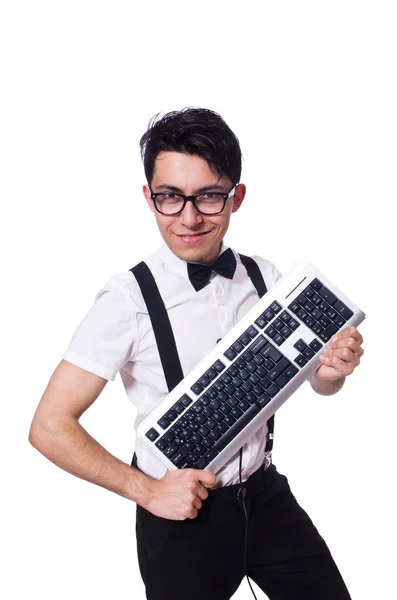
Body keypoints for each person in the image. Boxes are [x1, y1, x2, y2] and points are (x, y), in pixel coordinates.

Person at [29, 107, 364, 600]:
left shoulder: (265, 277)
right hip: (179, 513)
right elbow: (49, 426)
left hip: (266, 495)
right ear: (149, 198)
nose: (189, 217)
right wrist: (148, 492)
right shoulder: (127, 301)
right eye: (170, 197)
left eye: (208, 196)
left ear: (236, 197)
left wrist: (335, 370)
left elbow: (317, 379)